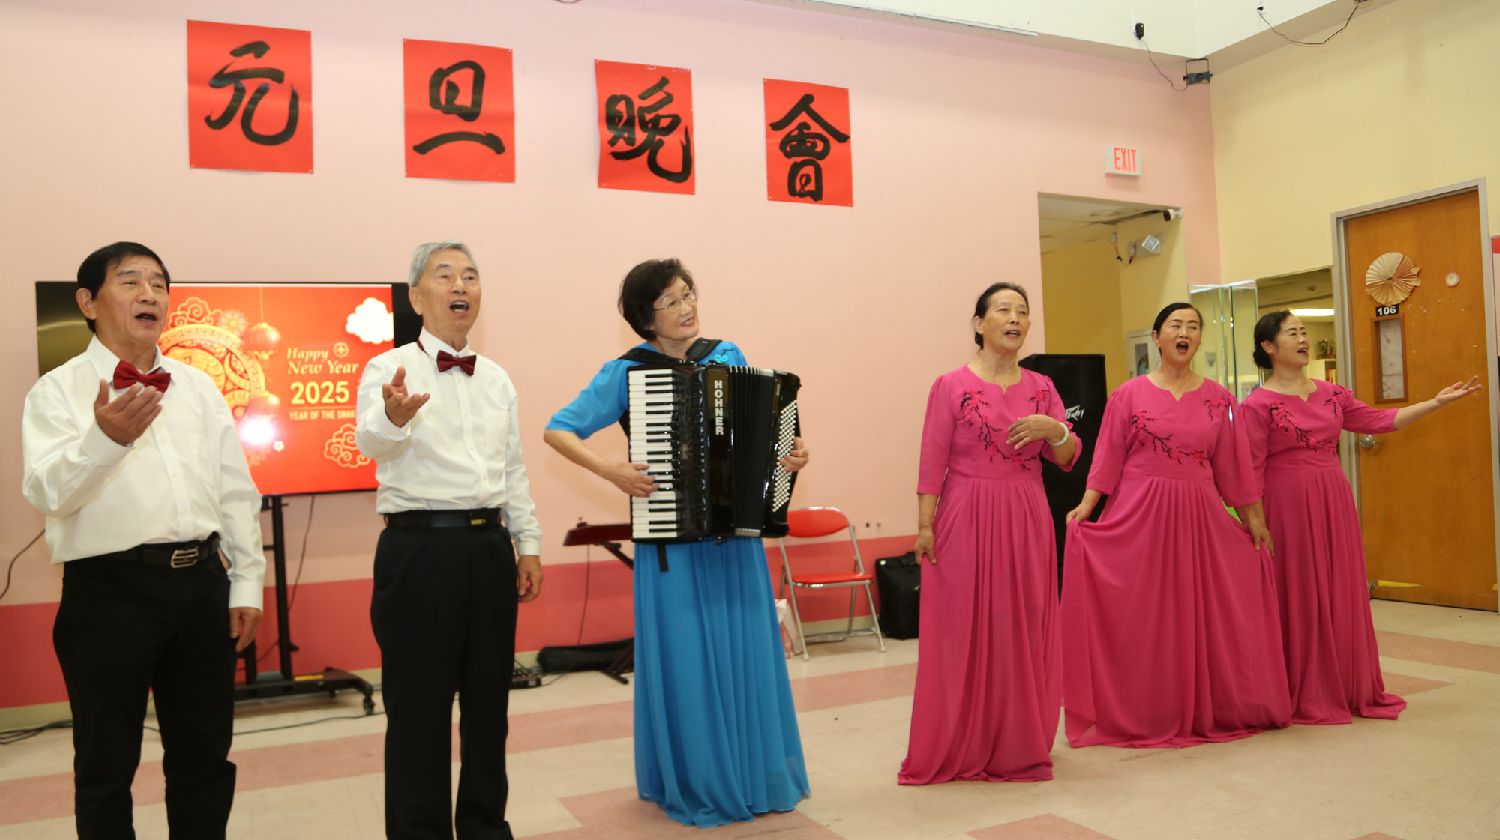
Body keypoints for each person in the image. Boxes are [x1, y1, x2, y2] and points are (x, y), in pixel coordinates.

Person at [542, 258, 810, 827]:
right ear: (647, 318)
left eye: (688, 294)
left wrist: (787, 457)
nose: (687, 308)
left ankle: (755, 776)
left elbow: (764, 436)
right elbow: (558, 429)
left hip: (735, 540)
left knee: (746, 654)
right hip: (672, 542)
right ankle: (700, 780)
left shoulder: (727, 354)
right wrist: (611, 470)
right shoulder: (626, 373)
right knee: (688, 662)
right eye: (671, 301)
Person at [21, 241, 265, 839]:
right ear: (88, 302)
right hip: (108, 593)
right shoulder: (56, 391)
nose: (149, 294)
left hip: (201, 585)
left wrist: (246, 584)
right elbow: (49, 494)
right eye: (129, 282)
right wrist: (103, 440)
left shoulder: (199, 387)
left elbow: (236, 492)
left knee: (205, 755)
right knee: (105, 764)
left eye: (158, 284)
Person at [355, 241, 543, 840]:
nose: (461, 286)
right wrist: (394, 417)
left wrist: (528, 542)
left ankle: (485, 827)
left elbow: (513, 468)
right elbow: (369, 443)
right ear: (416, 296)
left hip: (488, 548)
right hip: (418, 550)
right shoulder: (387, 369)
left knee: (490, 707)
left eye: (470, 276)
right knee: (418, 710)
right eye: (445, 275)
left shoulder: (497, 378)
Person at [1061, 302, 1291, 748]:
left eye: (1193, 327)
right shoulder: (1128, 395)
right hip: (1141, 511)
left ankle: (1202, 703)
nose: (1184, 333)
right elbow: (1107, 457)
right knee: (1144, 612)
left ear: (1199, 338)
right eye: (1175, 326)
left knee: (1199, 610)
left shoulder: (1219, 399)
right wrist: (1087, 505)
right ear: (1157, 337)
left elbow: (1235, 469)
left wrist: (1255, 521)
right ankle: (1144, 706)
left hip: (1199, 515)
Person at [1241, 310, 1482, 724]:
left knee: (1339, 586)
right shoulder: (1257, 404)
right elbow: (1251, 467)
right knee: (1299, 589)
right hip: (1286, 504)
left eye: (1304, 332)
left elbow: (1380, 420)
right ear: (1268, 347)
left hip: (1332, 497)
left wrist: (1434, 403)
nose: (1303, 339)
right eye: (1292, 333)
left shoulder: (1332, 394)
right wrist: (1257, 521)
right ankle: (1302, 686)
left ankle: (1345, 683)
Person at [900, 282, 1079, 784]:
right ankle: (962, 737)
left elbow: (1067, 458)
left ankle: (1018, 739)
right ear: (979, 324)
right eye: (1003, 309)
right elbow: (932, 461)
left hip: (1026, 513)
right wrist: (924, 526)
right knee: (963, 626)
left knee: (1023, 623)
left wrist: (1056, 430)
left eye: (1022, 311)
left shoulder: (1042, 387)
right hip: (965, 513)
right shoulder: (950, 385)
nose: (1015, 318)